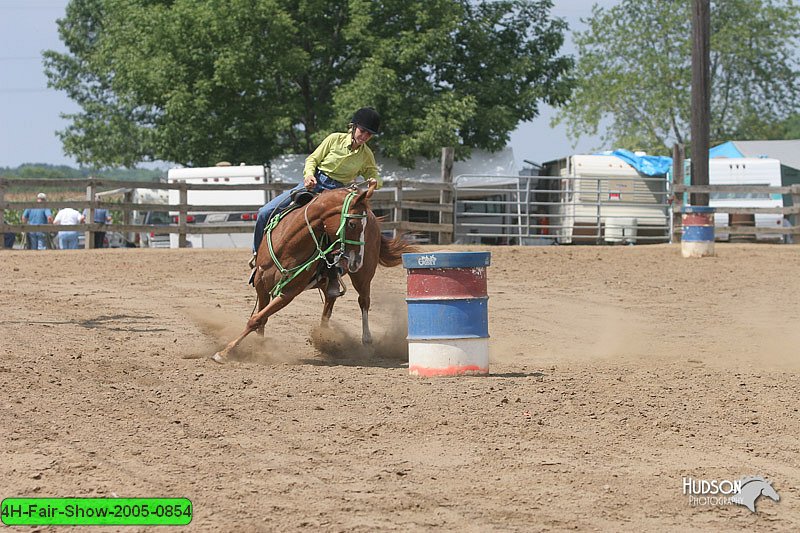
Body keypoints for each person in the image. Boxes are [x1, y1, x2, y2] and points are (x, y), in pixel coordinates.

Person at [251, 106, 383, 295]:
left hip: (337, 195)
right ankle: (258, 259)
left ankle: (331, 276)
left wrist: (374, 181)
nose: (364, 136)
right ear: (354, 128)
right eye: (363, 131)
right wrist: (309, 176)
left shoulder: (366, 155)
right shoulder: (334, 139)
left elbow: (374, 174)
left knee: (337, 236)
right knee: (265, 212)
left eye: (369, 134)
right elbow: (313, 159)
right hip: (315, 183)